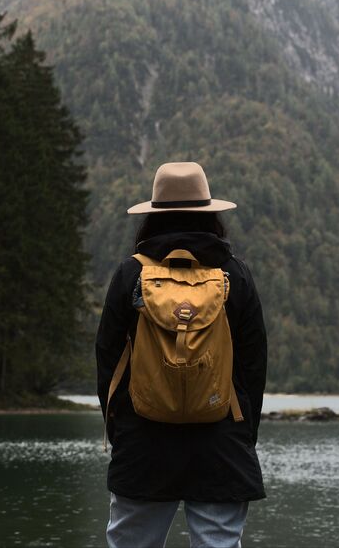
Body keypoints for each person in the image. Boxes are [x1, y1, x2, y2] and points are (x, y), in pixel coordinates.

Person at [96, 162, 267, 548]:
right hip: (221, 442)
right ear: (211, 215)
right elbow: (254, 365)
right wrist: (242, 435)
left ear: (152, 218)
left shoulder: (130, 275)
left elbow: (107, 361)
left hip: (143, 443)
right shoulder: (234, 275)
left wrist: (121, 433)